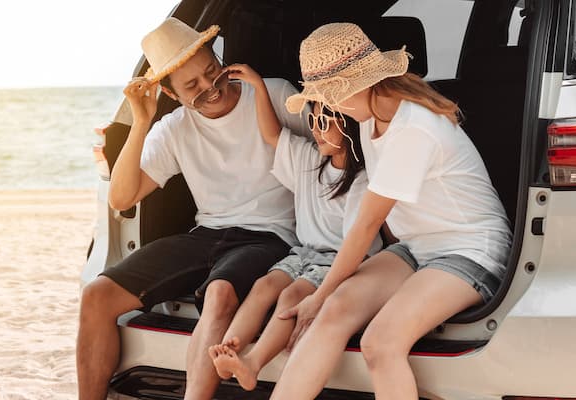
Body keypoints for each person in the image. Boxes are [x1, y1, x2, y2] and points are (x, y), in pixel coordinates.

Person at [269, 23, 512, 399]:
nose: (330, 106)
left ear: (359, 84)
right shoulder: (371, 116)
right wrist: (326, 299)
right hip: (417, 248)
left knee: (380, 343)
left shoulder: (413, 128)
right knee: (336, 310)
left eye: (332, 95)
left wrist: (316, 295)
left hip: (470, 250)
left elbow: (366, 225)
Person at [76, 18, 307, 400]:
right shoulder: (173, 128)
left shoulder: (272, 93)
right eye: (192, 86)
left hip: (270, 235)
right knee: (97, 296)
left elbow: (334, 157)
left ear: (218, 59)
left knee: (218, 294)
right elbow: (121, 198)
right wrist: (140, 122)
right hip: (208, 235)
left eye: (211, 72)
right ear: (169, 91)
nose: (210, 88)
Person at [204, 63, 381, 391]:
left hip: (340, 261)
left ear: (347, 125)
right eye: (311, 119)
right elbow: (272, 134)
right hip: (304, 253)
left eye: (323, 121)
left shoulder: (364, 181)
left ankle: (252, 364)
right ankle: (229, 348)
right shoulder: (309, 160)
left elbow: (359, 244)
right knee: (264, 287)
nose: (314, 128)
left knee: (292, 294)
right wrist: (258, 85)